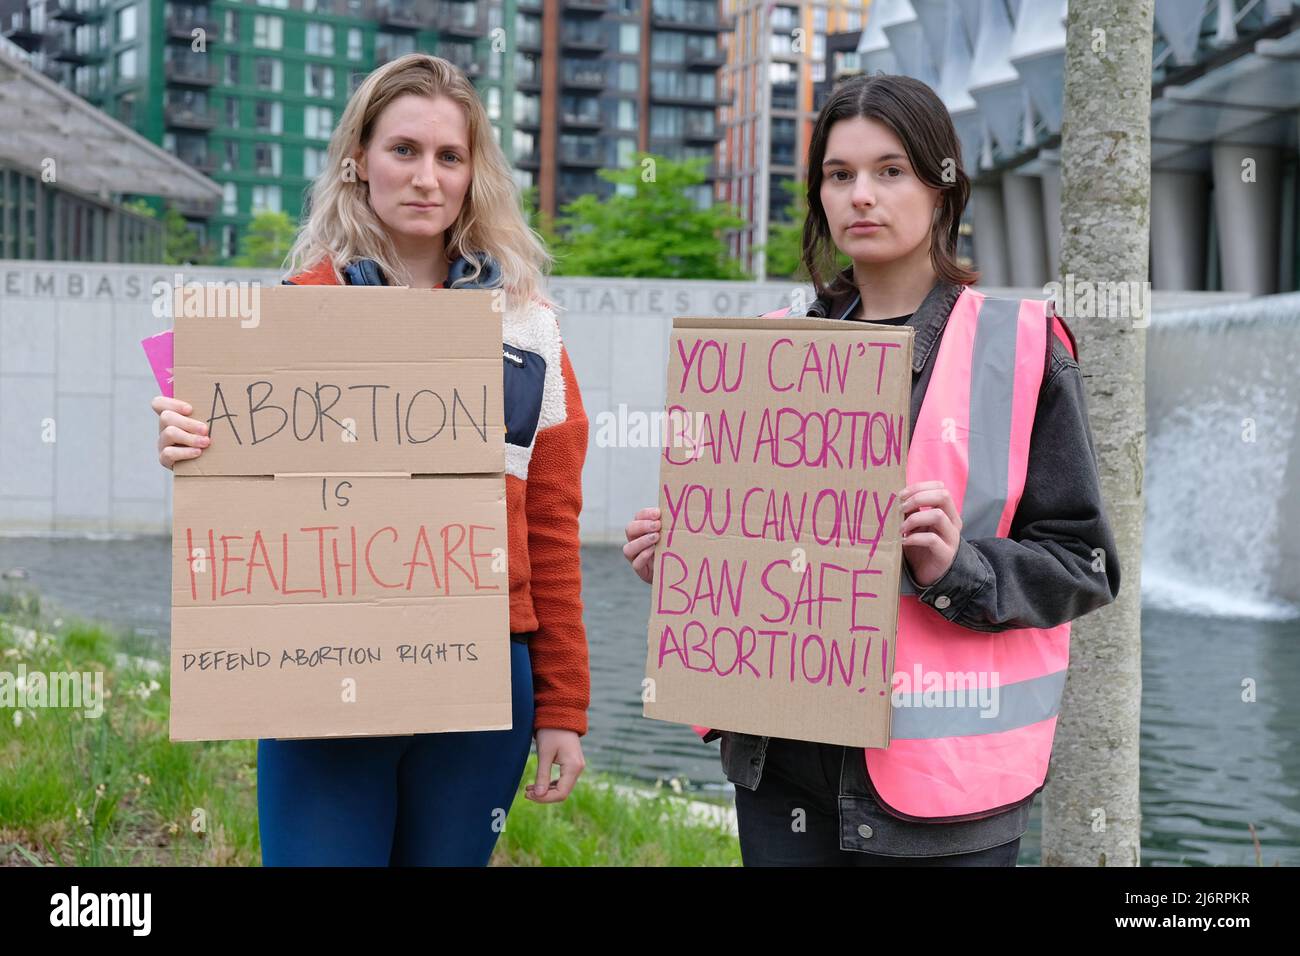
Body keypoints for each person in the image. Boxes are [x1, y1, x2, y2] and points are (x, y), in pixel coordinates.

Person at [623, 74, 1121, 866]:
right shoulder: (767, 347)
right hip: (779, 761)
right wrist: (688, 564)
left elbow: (1084, 565)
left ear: (941, 184)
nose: (862, 194)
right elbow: (758, 547)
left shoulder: (1022, 349)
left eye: (891, 171)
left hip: (942, 791)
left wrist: (957, 567)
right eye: (839, 173)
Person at [151, 54, 590, 866]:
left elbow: (553, 529)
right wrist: (192, 454)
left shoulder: (530, 329)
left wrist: (564, 705)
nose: (427, 178)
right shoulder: (290, 314)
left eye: (449, 157)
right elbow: (245, 512)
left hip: (482, 682)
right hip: (323, 674)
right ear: (358, 160)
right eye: (403, 150)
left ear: (473, 174)